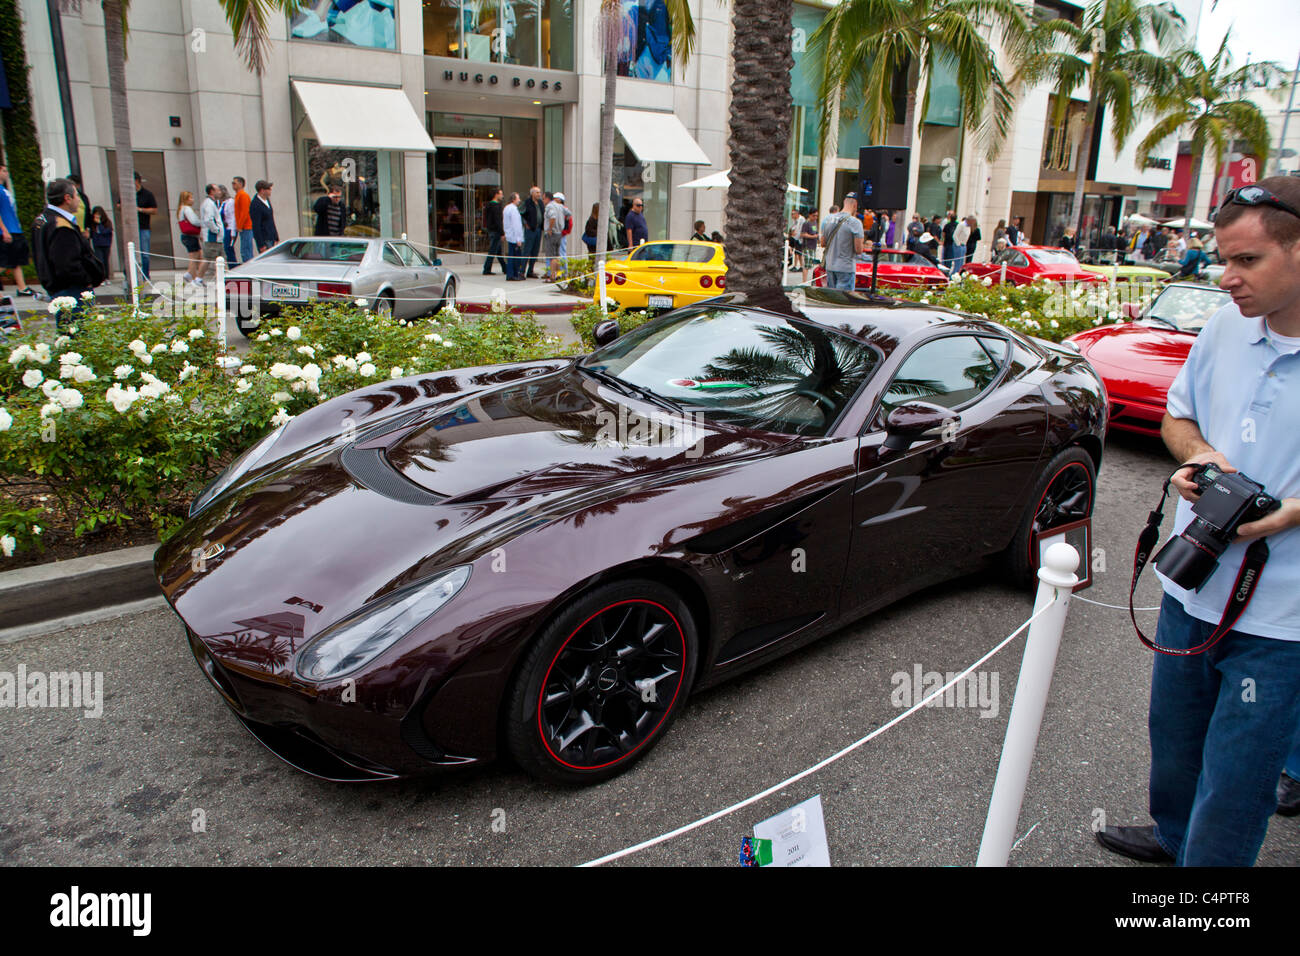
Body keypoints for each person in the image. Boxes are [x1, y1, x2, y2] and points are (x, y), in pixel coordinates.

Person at [1094, 175, 1300, 868]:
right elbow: (1177, 418)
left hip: (1282, 623)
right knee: (1174, 740)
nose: (1227, 278)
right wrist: (1201, 460)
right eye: (1223, 259)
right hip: (1191, 585)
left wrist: (1290, 515)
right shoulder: (1223, 325)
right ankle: (1173, 837)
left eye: (1247, 261)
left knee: (1237, 781)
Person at [31, 178, 104, 327]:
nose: (79, 200)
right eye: (76, 196)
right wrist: (87, 280)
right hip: (71, 291)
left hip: (57, 287)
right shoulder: (61, 226)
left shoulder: (42, 219)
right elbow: (67, 265)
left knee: (69, 336)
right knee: (77, 336)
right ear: (67, 198)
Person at [819, 191, 865, 291]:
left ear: (844, 202)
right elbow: (859, 249)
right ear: (855, 205)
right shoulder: (855, 223)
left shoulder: (828, 219)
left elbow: (822, 243)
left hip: (830, 266)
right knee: (844, 302)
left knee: (832, 299)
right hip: (846, 267)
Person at [0, 164, 33, 297]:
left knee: (16, 260)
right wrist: (4, 230)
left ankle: (22, 287)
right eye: (3, 170)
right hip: (6, 230)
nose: (6, 173)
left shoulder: (4, 190)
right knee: (6, 261)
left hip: (14, 228)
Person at [176, 190, 204, 284]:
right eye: (191, 198)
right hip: (190, 236)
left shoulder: (180, 209)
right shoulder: (187, 209)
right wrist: (202, 223)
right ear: (186, 199)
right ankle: (193, 277)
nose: (193, 200)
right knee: (194, 257)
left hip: (186, 236)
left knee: (198, 255)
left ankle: (191, 275)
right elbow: (194, 221)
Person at [134, 171, 157, 279]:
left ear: (137, 181)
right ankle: (131, 275)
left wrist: (141, 209)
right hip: (131, 227)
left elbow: (154, 210)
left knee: (145, 254)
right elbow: (118, 205)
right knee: (131, 253)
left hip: (144, 227)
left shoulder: (147, 194)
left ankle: (145, 275)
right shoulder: (128, 194)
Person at [199, 183, 225, 281]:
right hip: (212, 237)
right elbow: (208, 219)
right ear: (212, 191)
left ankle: (222, 280)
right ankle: (198, 279)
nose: (220, 192)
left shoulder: (211, 203)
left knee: (218, 259)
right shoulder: (209, 204)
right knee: (210, 259)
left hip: (214, 237)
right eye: (217, 190)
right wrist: (216, 230)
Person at [482, 187, 507, 276]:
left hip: (492, 229)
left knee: (498, 250)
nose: (502, 195)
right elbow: (498, 220)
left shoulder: (489, 205)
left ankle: (505, 267)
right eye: (500, 194)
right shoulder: (495, 206)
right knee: (493, 250)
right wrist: (502, 232)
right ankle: (486, 269)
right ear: (496, 194)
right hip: (496, 230)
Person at [521, 185, 544, 279]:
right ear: (532, 193)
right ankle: (522, 271)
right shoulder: (527, 202)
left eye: (539, 192)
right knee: (527, 250)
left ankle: (530, 270)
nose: (539, 194)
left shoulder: (540, 203)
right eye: (537, 192)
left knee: (535, 251)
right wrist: (525, 223)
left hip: (538, 229)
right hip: (530, 230)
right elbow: (520, 213)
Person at [250, 180, 278, 253]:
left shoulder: (267, 200)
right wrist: (261, 245)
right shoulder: (255, 204)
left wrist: (276, 236)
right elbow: (256, 226)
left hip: (271, 236)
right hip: (265, 238)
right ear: (262, 190)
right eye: (268, 189)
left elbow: (271, 220)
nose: (270, 191)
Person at [232, 176, 255, 264]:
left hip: (246, 227)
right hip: (243, 227)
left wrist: (240, 226)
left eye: (235, 183)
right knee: (245, 249)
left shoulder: (243, 195)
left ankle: (249, 268)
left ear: (241, 184)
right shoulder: (238, 195)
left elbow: (245, 212)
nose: (233, 185)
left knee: (246, 250)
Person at [503, 191, 524, 281]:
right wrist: (518, 239)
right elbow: (516, 225)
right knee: (515, 257)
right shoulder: (513, 209)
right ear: (513, 199)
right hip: (515, 237)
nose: (519, 200)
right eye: (518, 198)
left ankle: (511, 274)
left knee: (511, 256)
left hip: (510, 236)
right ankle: (513, 274)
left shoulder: (506, 208)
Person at [543, 190, 564, 280]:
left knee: (551, 256)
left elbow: (552, 217)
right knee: (557, 255)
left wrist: (550, 229)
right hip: (559, 233)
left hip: (552, 233)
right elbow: (568, 214)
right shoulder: (560, 206)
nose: (543, 201)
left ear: (547, 198)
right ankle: (559, 274)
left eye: (543, 199)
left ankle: (552, 276)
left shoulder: (549, 206)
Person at [88, 206, 113, 280]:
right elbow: (93, 234)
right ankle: (102, 278)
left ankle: (107, 277)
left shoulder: (107, 222)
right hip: (97, 244)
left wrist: (99, 224)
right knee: (100, 260)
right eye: (95, 214)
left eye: (98, 214)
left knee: (105, 261)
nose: (97, 216)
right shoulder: (93, 224)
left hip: (106, 244)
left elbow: (105, 231)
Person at [220, 185, 237, 264]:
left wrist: (233, 232)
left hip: (230, 228)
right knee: (225, 249)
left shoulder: (230, 202)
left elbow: (233, 217)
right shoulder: (221, 203)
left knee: (228, 248)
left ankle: (233, 266)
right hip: (223, 229)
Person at [801, 210, 819, 282]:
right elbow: (802, 234)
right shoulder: (806, 223)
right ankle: (804, 281)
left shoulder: (814, 223)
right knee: (806, 265)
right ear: (810, 215)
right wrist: (812, 236)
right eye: (814, 215)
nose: (815, 217)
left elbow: (816, 232)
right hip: (807, 246)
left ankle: (811, 280)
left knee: (811, 264)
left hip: (813, 246)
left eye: (816, 216)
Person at [788, 208, 806, 274]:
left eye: (793, 214)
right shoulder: (795, 220)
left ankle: (800, 266)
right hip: (795, 237)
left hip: (799, 238)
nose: (791, 215)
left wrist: (796, 234)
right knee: (796, 252)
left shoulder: (801, 220)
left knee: (799, 252)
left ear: (797, 214)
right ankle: (796, 265)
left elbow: (800, 229)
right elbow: (794, 227)